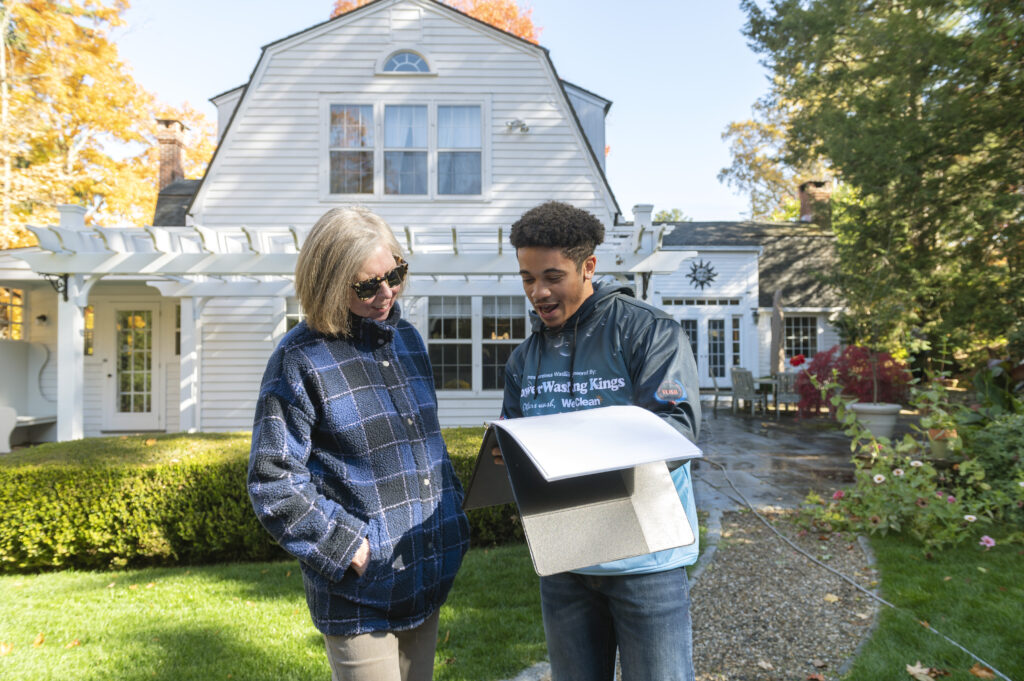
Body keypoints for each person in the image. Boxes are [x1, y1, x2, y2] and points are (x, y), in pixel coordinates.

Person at [248, 206, 470, 681]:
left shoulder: (408, 340)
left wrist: (453, 518)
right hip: (359, 595)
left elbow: (426, 444)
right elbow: (273, 479)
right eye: (368, 285)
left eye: (395, 274)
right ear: (329, 284)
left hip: (427, 571)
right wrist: (346, 546)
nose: (387, 293)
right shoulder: (298, 359)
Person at [499, 200, 701, 681]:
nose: (538, 292)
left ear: (588, 266)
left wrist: (572, 460)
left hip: (646, 561)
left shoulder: (648, 330)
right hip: (565, 557)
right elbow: (513, 442)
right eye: (528, 279)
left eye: (553, 276)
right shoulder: (523, 358)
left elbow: (677, 430)